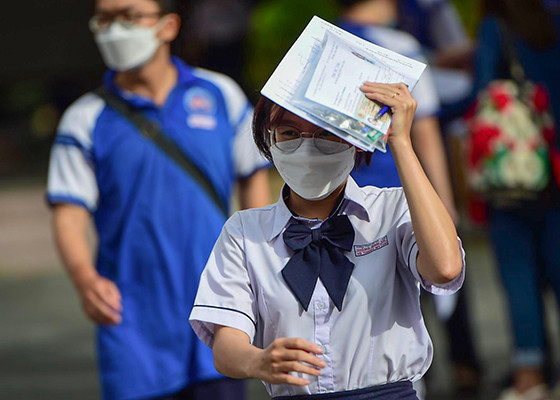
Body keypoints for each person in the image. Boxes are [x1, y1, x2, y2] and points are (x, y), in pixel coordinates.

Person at [46, 0, 271, 399]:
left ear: (168, 26)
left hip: (218, 305)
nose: (115, 30)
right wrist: (85, 280)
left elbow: (252, 180)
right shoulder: (84, 118)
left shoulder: (220, 95)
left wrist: (260, 262)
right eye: (105, 19)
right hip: (132, 320)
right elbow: (68, 212)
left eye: (129, 16)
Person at [189, 80, 465, 399]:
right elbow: (226, 347)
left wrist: (401, 141)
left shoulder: (392, 210)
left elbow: (445, 268)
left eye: (326, 133)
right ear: (269, 139)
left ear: (356, 141)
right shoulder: (245, 231)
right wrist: (258, 360)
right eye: (289, 133)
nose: (307, 148)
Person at [336, 1, 482, 395]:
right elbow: (427, 129)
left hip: (345, 202)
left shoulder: (325, 44)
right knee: (439, 273)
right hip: (402, 196)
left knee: (375, 298)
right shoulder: (396, 43)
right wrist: (444, 202)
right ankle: (462, 366)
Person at [465, 1, 560, 399]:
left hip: (514, 172)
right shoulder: (552, 19)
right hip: (553, 163)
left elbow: (481, 94)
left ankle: (530, 375)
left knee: (518, 273)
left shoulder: (495, 26)